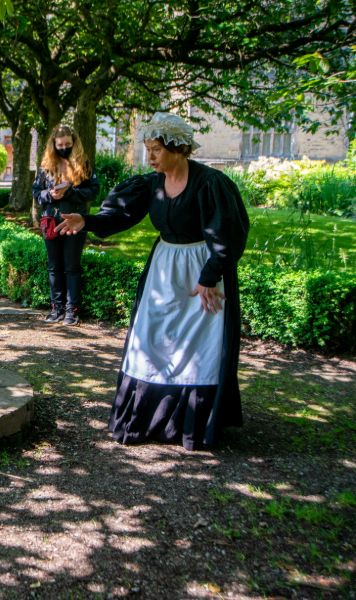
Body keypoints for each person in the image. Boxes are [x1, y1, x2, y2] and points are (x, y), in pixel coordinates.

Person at [55, 112, 249, 450]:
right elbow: (120, 215)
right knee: (153, 335)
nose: (151, 157)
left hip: (202, 269)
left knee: (199, 342)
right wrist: (85, 220)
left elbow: (227, 234)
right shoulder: (151, 185)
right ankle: (150, 417)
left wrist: (209, 277)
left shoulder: (210, 183)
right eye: (148, 149)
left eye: (156, 149)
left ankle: (192, 420)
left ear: (178, 147)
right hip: (164, 267)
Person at [32, 125, 100, 325]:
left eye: (68, 145)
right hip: (50, 221)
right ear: (53, 145)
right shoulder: (46, 166)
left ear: (74, 143)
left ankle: (72, 309)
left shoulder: (84, 164)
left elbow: (94, 191)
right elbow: (36, 192)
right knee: (54, 266)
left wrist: (70, 193)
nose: (64, 148)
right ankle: (57, 307)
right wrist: (49, 195)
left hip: (74, 222)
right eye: (60, 145)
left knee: (71, 266)